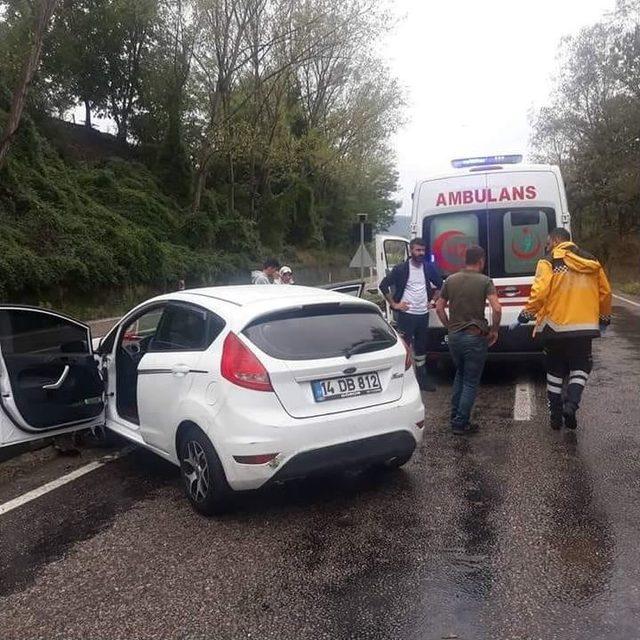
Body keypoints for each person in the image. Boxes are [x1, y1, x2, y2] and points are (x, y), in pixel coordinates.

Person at [510, 228, 612, 430]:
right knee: (581, 367)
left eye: (548, 242)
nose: (546, 246)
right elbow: (605, 292)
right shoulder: (592, 261)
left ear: (556, 240)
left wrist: (525, 316)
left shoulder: (549, 262)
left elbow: (539, 294)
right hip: (584, 327)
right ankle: (571, 405)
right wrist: (604, 319)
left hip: (554, 327)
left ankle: (555, 416)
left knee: (554, 369)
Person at [435, 245, 502, 435]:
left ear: (466, 260)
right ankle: (461, 422)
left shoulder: (450, 280)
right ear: (481, 260)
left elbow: (439, 307)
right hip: (474, 337)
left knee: (460, 375)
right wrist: (495, 330)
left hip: (455, 337)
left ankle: (455, 416)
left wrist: (449, 327)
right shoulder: (485, 281)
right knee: (471, 381)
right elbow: (496, 308)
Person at [379, 237, 443, 391]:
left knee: (421, 349)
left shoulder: (429, 268)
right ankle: (402, 381)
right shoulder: (401, 269)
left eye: (423, 250)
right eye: (417, 250)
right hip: (407, 315)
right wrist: (394, 304)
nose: (420, 253)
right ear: (411, 251)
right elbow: (383, 285)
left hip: (423, 315)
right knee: (404, 348)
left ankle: (422, 379)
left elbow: (441, 285)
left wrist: (433, 301)